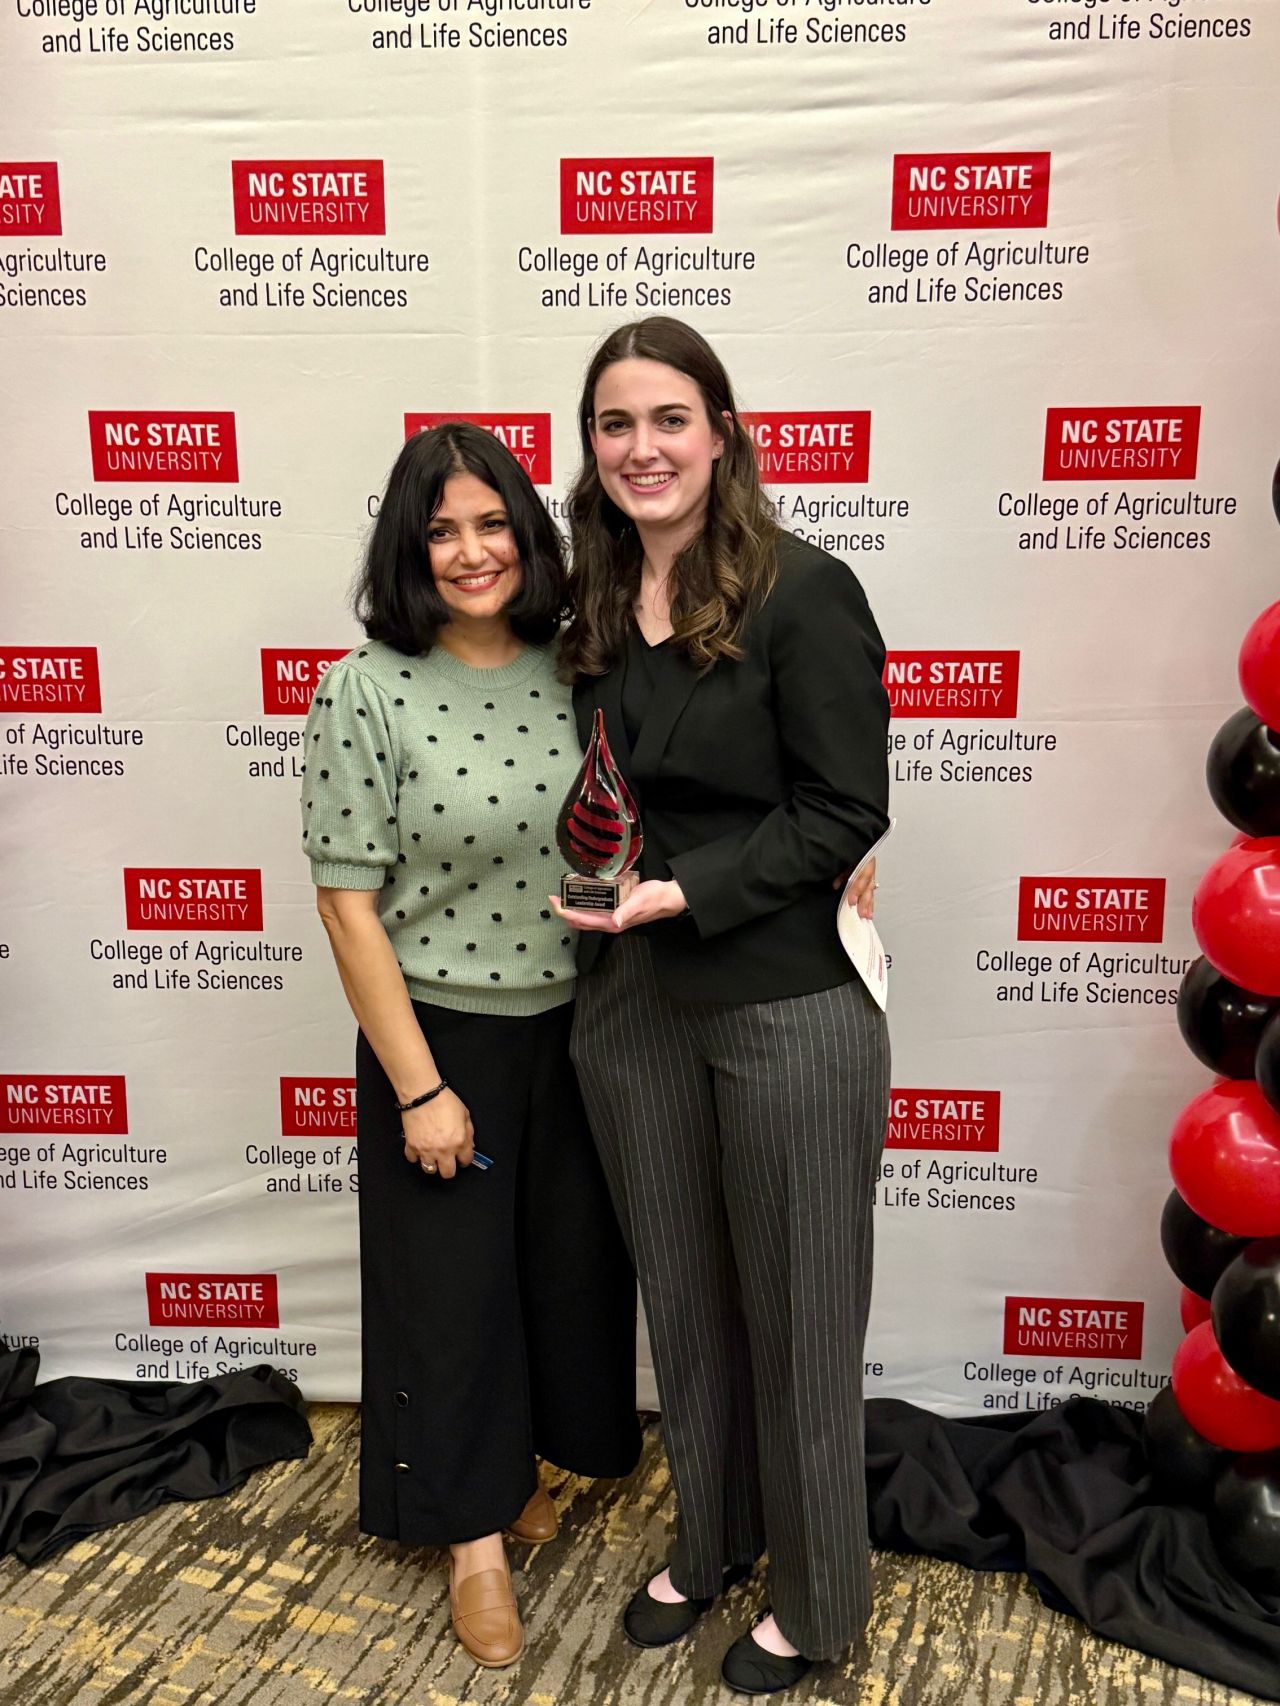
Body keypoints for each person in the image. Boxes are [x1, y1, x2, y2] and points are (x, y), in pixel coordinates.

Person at [555, 316, 889, 1696]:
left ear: (723, 432)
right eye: (615, 423)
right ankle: (717, 1535)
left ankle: (819, 1602)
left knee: (801, 1318)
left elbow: (845, 809)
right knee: (685, 1304)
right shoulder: (588, 597)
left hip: (784, 1000)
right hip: (631, 1006)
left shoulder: (805, 591)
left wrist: (681, 892)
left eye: (669, 418)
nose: (643, 447)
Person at [300, 421, 641, 1670]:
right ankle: (472, 1541)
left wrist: (839, 849)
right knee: (446, 1298)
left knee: (559, 1275)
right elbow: (347, 906)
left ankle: (517, 1468)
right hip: (438, 1037)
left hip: (588, 1027)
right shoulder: (366, 688)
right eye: (440, 529)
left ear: (527, 532)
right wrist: (421, 1088)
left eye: (491, 522)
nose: (469, 550)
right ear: (408, 545)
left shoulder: (583, 662)